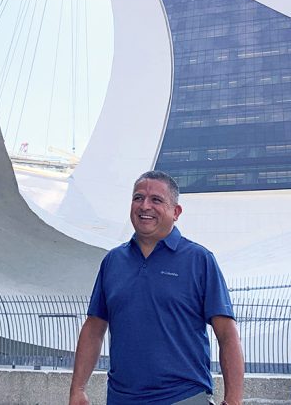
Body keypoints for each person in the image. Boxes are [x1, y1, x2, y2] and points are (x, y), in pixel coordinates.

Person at [69, 171, 244, 405]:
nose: (145, 206)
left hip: (184, 397)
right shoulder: (113, 262)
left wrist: (234, 399)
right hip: (121, 399)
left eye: (156, 200)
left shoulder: (199, 260)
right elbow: (94, 328)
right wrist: (78, 389)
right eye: (138, 198)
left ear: (176, 212)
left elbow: (227, 334)